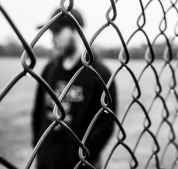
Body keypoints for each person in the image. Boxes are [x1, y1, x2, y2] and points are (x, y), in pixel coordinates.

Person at [31, 8, 117, 169]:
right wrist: (40, 147)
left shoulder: (100, 74)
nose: (52, 39)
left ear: (76, 32)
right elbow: (37, 112)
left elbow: (106, 124)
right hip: (45, 162)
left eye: (57, 32)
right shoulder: (49, 70)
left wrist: (79, 156)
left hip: (80, 164)